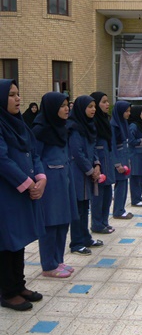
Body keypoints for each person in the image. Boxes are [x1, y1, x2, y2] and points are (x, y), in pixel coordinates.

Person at [0, 79, 46, 311]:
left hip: (22, 191)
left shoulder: (19, 124)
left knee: (17, 240)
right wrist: (28, 184)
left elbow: (33, 152)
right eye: (11, 95)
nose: (18, 99)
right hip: (6, 194)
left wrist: (41, 178)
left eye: (18, 94)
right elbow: (2, 160)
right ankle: (7, 292)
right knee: (5, 242)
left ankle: (19, 285)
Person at [33, 92, 77, 278]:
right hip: (49, 182)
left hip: (64, 178)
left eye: (67, 105)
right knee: (50, 222)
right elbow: (35, 157)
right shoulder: (40, 130)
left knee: (63, 221)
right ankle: (48, 264)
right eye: (62, 106)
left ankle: (58, 260)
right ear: (51, 108)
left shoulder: (62, 128)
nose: (67, 109)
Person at [67, 95, 103, 256]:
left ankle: (85, 238)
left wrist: (97, 164)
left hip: (87, 172)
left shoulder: (89, 125)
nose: (93, 109)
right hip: (77, 173)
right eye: (90, 107)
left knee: (84, 206)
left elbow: (92, 147)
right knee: (78, 209)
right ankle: (76, 243)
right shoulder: (74, 128)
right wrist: (90, 170)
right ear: (81, 109)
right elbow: (77, 153)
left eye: (94, 106)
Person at [89, 92, 116, 234]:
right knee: (98, 195)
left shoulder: (105, 120)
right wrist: (96, 163)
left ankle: (104, 221)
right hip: (99, 163)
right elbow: (91, 145)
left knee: (107, 194)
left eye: (107, 101)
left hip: (107, 160)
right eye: (104, 102)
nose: (107, 104)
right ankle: (97, 224)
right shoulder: (93, 123)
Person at [110, 101, 133, 220]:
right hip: (119, 157)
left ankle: (121, 209)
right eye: (126, 111)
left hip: (124, 155)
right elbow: (112, 146)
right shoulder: (114, 126)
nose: (128, 113)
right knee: (120, 184)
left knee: (124, 184)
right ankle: (118, 211)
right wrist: (117, 164)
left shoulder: (123, 123)